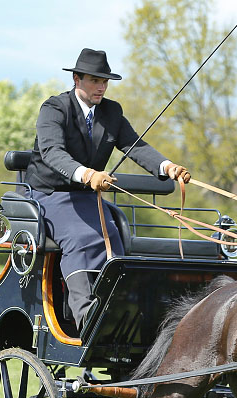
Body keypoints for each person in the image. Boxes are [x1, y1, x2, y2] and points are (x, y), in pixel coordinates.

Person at [24, 48, 191, 331]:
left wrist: (167, 167)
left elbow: (134, 145)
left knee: (113, 237)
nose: (101, 87)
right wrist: (86, 174)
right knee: (79, 237)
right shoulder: (54, 109)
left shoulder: (111, 112)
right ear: (77, 79)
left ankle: (118, 314)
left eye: (105, 81)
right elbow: (52, 152)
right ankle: (87, 320)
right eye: (94, 80)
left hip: (87, 197)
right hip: (48, 195)